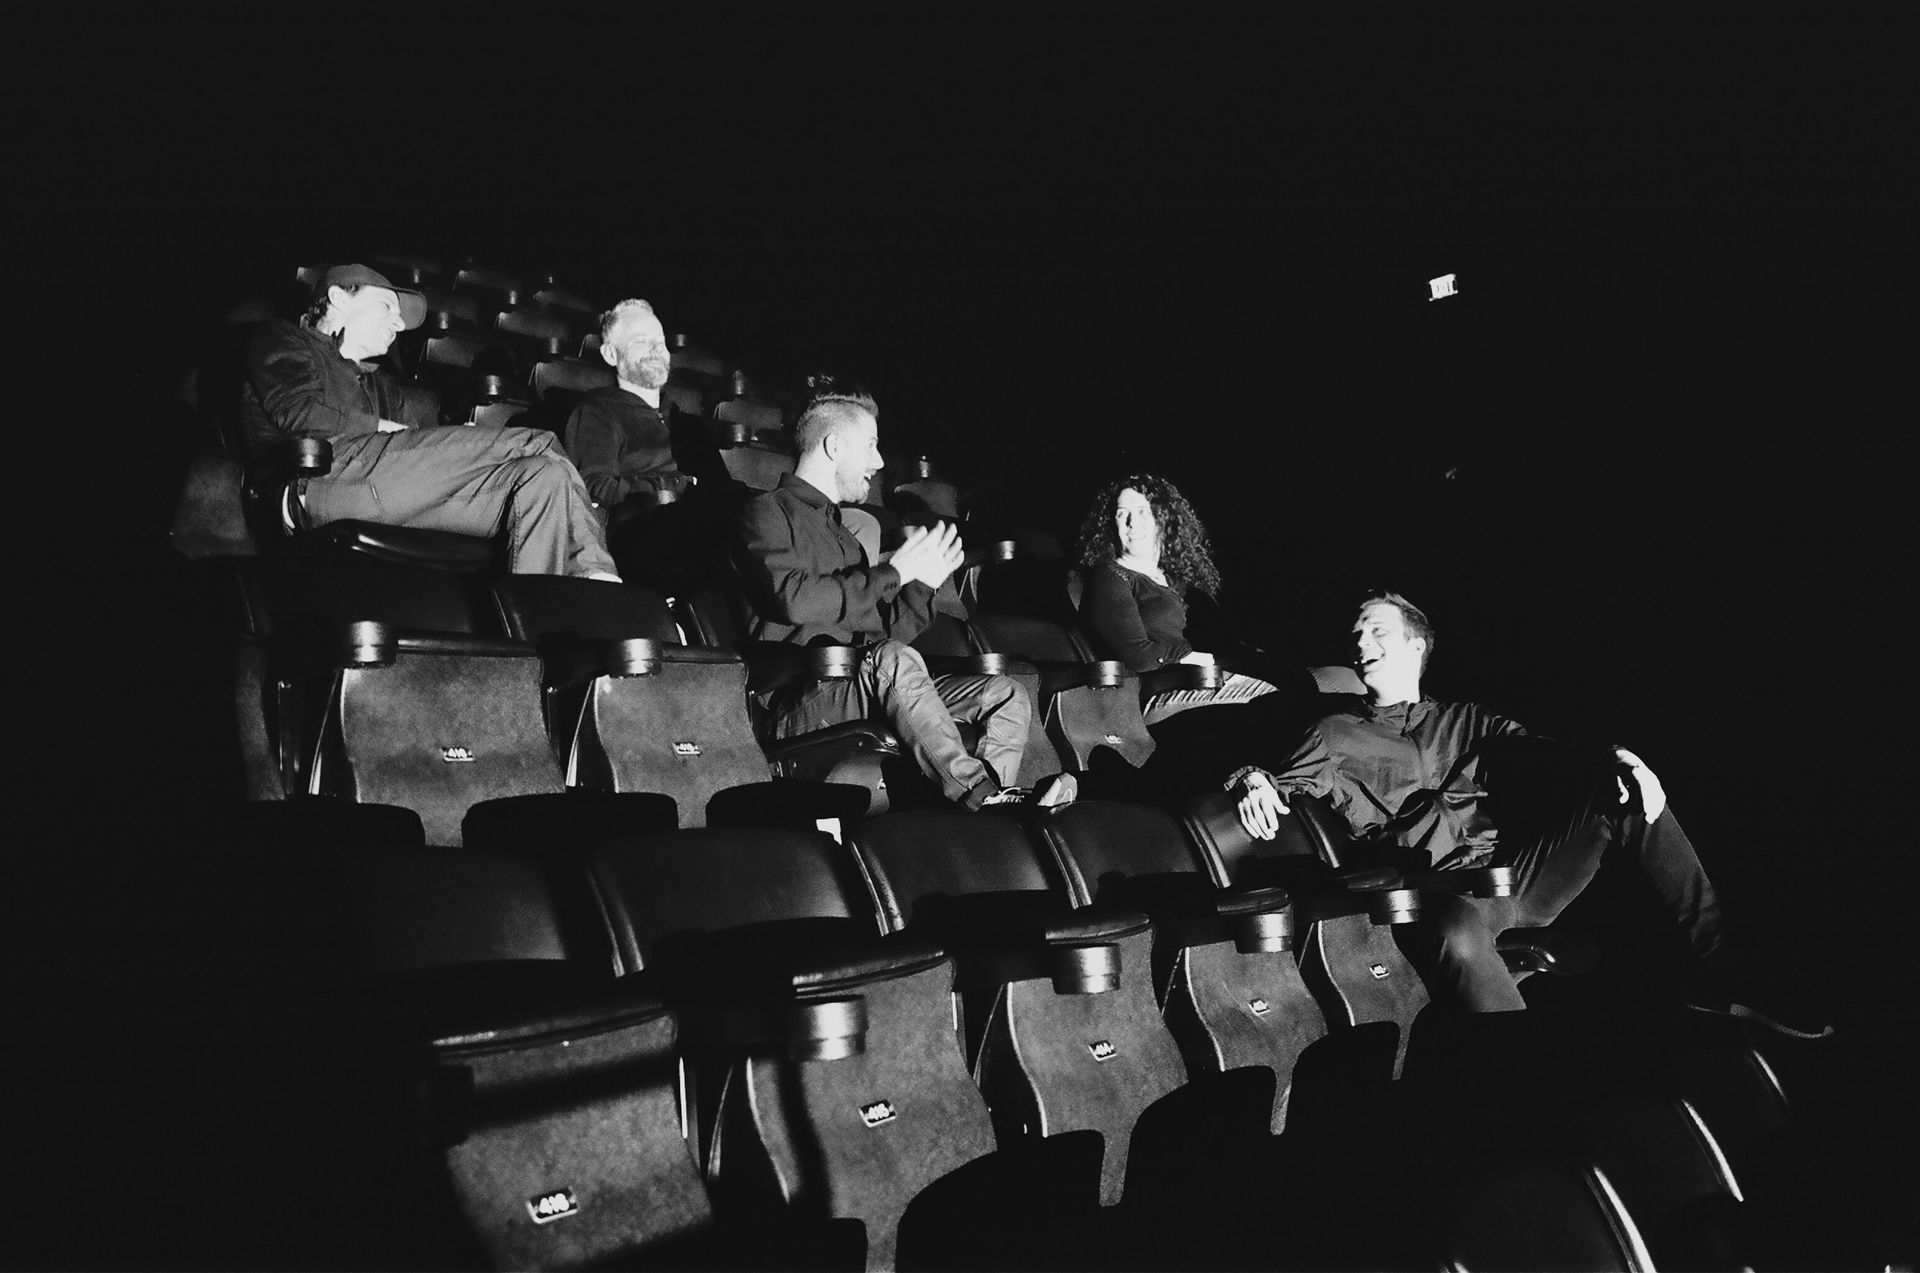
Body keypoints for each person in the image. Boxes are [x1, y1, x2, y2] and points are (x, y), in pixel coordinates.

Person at [1229, 590, 1831, 1038]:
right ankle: (1524, 1071)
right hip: (1430, 894)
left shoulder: (1466, 720)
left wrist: (1616, 760)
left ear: (1416, 644)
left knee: (1624, 792)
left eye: (1377, 630)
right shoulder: (1334, 731)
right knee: (1457, 927)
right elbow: (1279, 782)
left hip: (1513, 880)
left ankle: (1724, 965)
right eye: (1356, 634)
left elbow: (1542, 755)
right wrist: (1251, 777)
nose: (1361, 643)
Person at [733, 395, 1074, 811]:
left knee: (1005, 694)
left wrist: (922, 586)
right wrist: (893, 572)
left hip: (860, 683)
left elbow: (885, 639)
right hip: (799, 697)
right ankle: (980, 796)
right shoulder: (765, 512)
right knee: (892, 658)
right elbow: (793, 600)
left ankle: (990, 805)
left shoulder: (844, 537)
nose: (878, 462)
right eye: (871, 445)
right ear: (834, 446)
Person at [242, 264, 620, 579]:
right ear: (340, 296)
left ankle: (535, 645)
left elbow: (414, 453)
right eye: (388, 306)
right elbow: (299, 414)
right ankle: (600, 578)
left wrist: (448, 442)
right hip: (319, 477)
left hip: (383, 485)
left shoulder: (381, 384)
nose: (399, 324)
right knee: (537, 442)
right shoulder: (284, 338)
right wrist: (391, 430)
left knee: (543, 479)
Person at [1074, 474, 1289, 725]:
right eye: (1122, 513)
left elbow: (1226, 640)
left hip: (1207, 679)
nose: (1133, 522)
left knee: (1321, 686)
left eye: (1143, 511)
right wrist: (1188, 656)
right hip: (1162, 690)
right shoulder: (1110, 576)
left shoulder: (1178, 579)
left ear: (1164, 518)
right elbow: (1135, 657)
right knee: (1281, 703)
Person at [564, 299, 694, 512]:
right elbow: (593, 488)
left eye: (661, 342)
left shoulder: (683, 422)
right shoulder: (597, 413)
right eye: (640, 342)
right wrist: (673, 486)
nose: (656, 350)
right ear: (611, 354)